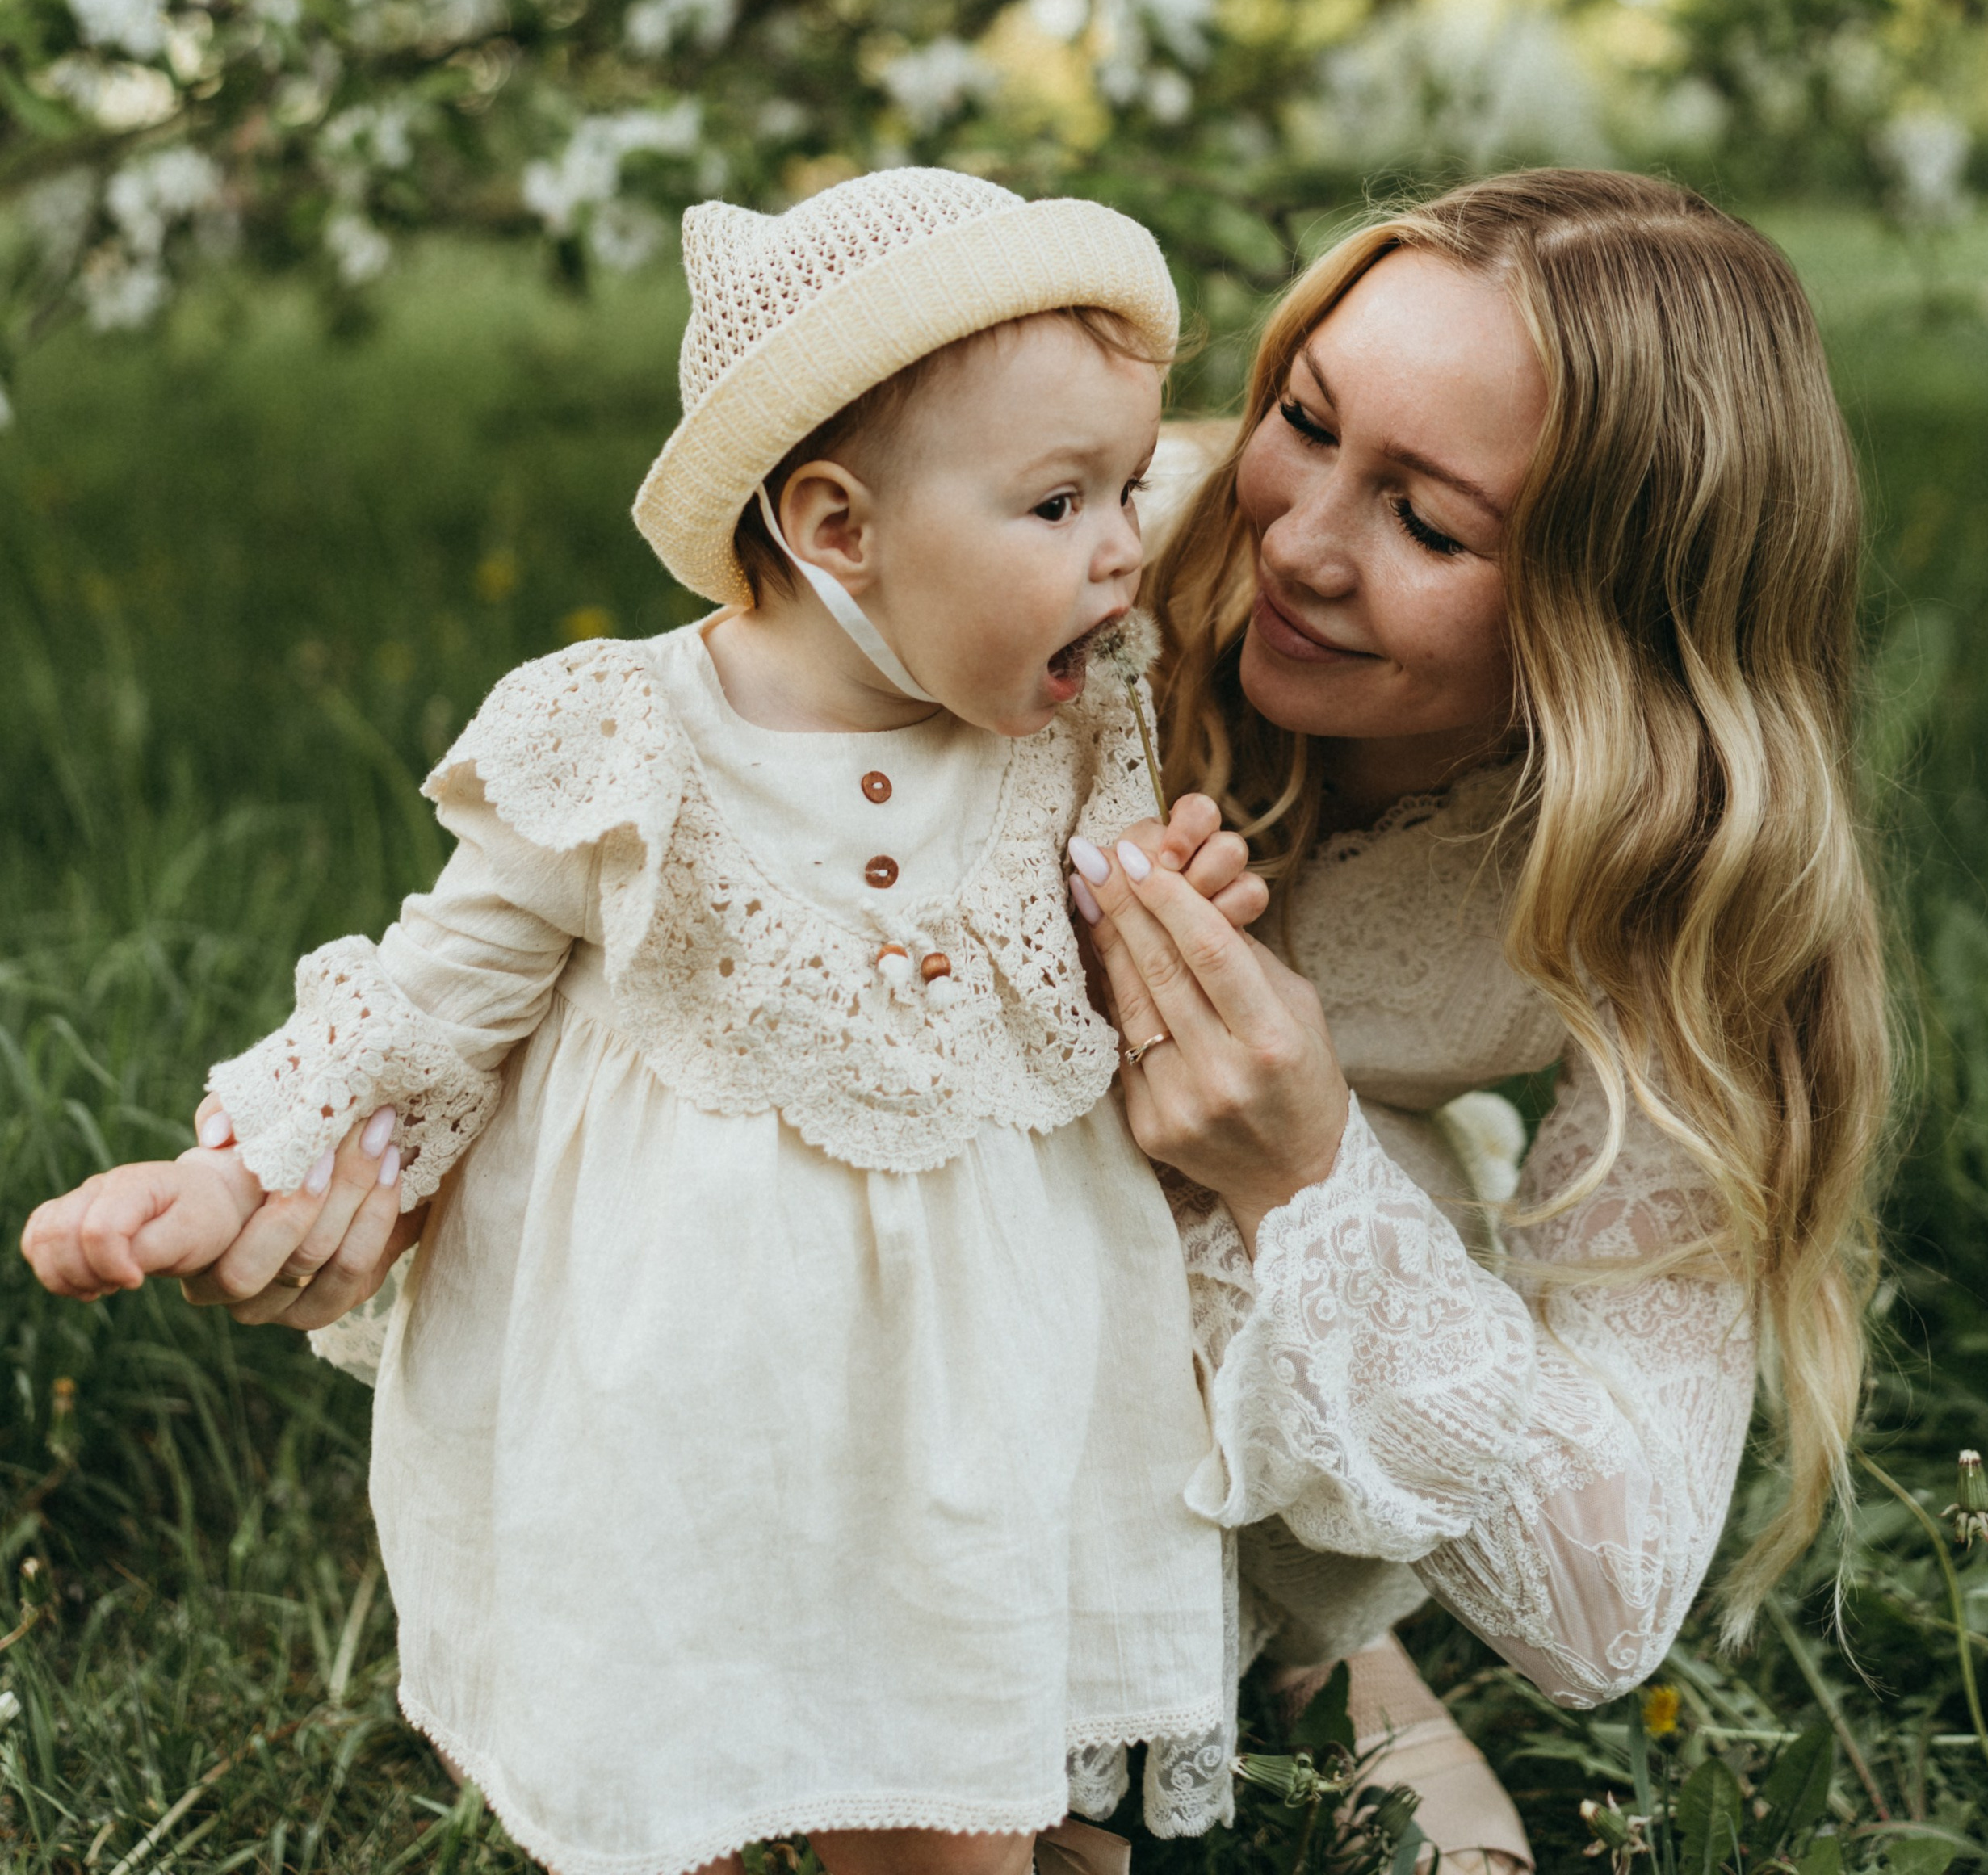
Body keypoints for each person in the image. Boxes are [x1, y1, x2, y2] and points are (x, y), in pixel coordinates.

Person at [21, 167, 1270, 1875]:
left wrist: (1159, 921)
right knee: (667, 1732)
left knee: (946, 1763)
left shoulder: (1067, 746)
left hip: (968, 1396)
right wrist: (242, 1171)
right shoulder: (617, 741)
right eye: (1060, 505)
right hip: (677, 1402)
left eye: (1128, 487)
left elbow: (1084, 993)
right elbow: (432, 995)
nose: (1125, 543)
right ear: (838, 530)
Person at [1068, 168, 1890, 1865]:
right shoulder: (1086, 553)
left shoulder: (1676, 886)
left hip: (1283, 1210)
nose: (1291, 541)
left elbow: (1602, 1608)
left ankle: (1321, 1637)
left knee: (1389, 1200)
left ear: (1611, 629)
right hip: (916, 1204)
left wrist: (1301, 1179)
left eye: (1429, 526)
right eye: (1301, 417)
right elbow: (692, 791)